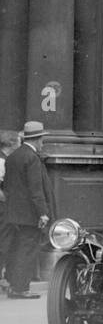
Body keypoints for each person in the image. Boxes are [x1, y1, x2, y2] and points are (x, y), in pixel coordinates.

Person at [2, 121, 55, 299]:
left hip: (13, 212)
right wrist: (43, 213)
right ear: (38, 139)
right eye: (42, 140)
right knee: (27, 250)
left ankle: (13, 284)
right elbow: (35, 189)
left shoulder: (13, 156)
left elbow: (9, 186)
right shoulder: (32, 158)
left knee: (17, 248)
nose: (43, 143)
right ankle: (21, 288)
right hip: (29, 214)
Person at [0, 129, 17, 291]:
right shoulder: (2, 161)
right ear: (11, 144)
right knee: (4, 241)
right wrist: (6, 199)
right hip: (3, 208)